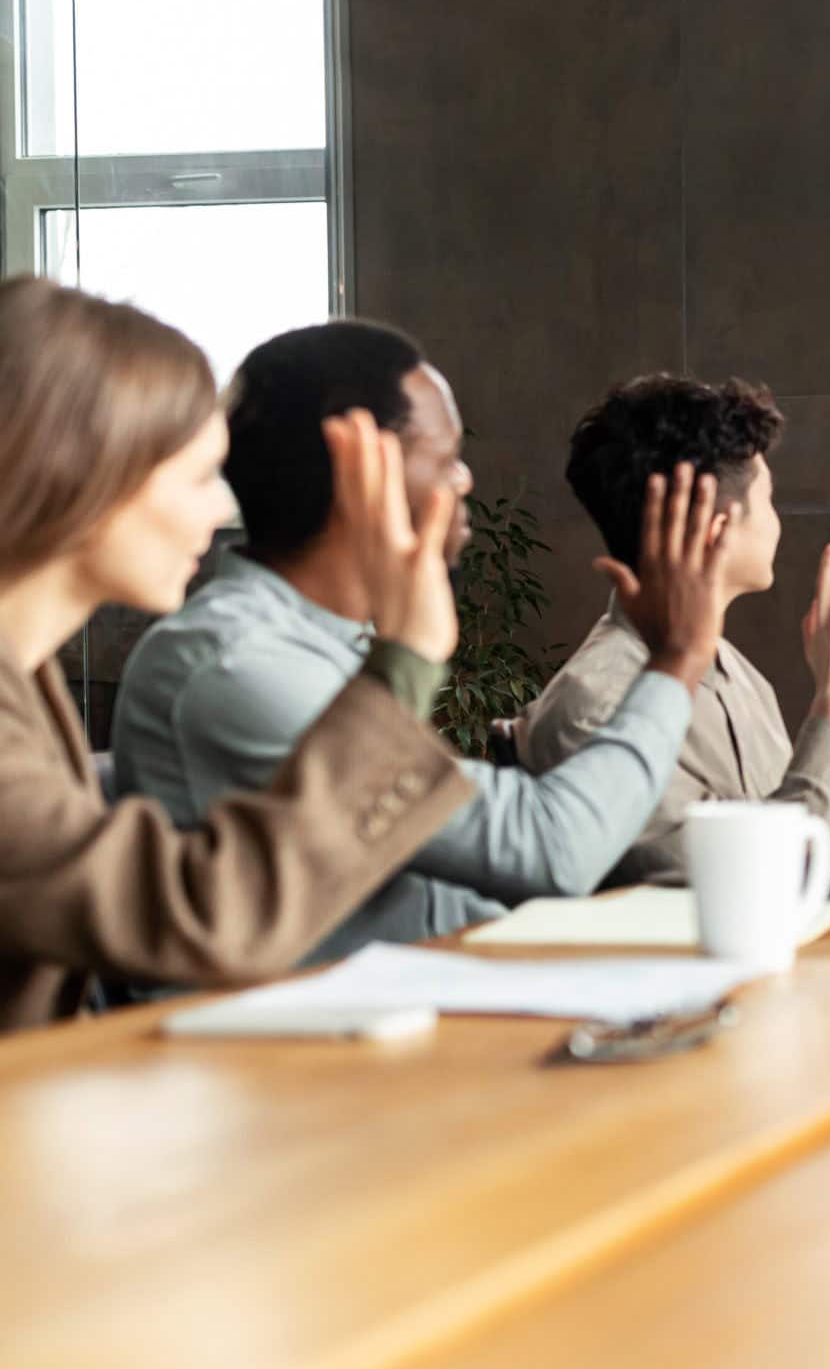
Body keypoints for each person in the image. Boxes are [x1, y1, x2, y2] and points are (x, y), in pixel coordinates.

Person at [114, 323, 729, 964]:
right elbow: (552, 847)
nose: (462, 481)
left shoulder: (323, 649)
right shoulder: (238, 666)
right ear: (355, 463)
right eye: (444, 455)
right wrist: (676, 659)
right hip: (304, 1049)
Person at [0, 278, 472, 1033]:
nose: (222, 509)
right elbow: (207, 913)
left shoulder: (25, 678)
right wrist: (405, 657)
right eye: (196, 479)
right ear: (77, 476)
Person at [521, 376, 830, 881]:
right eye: (769, 500)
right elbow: (743, 879)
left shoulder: (737, 675)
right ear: (717, 530)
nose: (777, 522)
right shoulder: (593, 710)